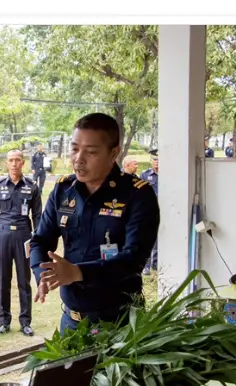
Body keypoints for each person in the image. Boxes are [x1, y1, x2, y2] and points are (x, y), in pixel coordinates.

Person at [29, 113, 159, 333]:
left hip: (120, 324)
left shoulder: (137, 194)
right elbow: (40, 240)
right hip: (71, 322)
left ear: (114, 153)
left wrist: (77, 272)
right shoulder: (63, 190)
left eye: (91, 152)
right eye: (74, 148)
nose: (79, 158)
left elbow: (133, 259)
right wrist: (42, 273)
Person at [0, 149, 42, 337]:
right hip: (3, 236)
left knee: (24, 280)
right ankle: (4, 321)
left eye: (17, 160)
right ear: (6, 163)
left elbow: (37, 217)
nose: (14, 163)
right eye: (10, 160)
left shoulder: (32, 187)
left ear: (23, 163)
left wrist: (38, 242)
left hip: (23, 236)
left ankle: (25, 322)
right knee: (3, 280)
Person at [140, 149, 159, 275]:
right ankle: (145, 266)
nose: (157, 162)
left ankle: (156, 265)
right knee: (147, 239)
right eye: (155, 160)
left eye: (159, 160)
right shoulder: (145, 175)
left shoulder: (169, 175)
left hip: (166, 211)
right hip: (150, 211)